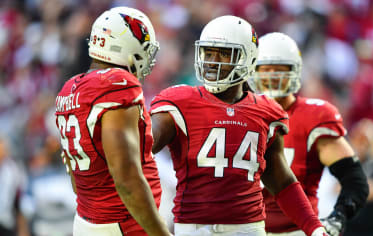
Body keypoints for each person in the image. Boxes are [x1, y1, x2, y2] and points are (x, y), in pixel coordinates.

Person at [150, 15, 328, 236]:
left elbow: (281, 181)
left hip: (248, 229)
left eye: (224, 53)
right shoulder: (180, 101)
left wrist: (314, 226)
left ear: (248, 58)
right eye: (208, 52)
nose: (212, 61)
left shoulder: (266, 111)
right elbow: (143, 147)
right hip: (194, 227)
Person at [55, 7, 171, 236]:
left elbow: (76, 182)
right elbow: (127, 179)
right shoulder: (117, 84)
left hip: (87, 220)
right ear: (127, 46)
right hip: (122, 224)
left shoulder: (70, 88)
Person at [251, 32, 369, 236]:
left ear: (295, 72)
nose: (272, 76)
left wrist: (338, 216)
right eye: (265, 69)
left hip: (297, 230)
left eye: (279, 70)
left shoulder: (314, 117)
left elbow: (354, 180)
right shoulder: (239, 114)